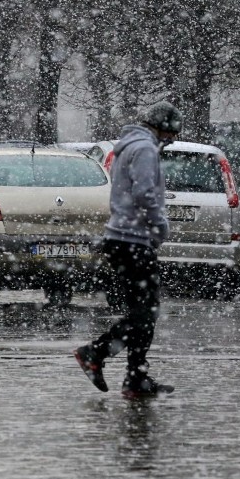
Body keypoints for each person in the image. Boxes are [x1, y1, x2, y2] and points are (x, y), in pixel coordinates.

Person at [74, 101, 182, 399]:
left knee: (142, 312)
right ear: (160, 127)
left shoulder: (130, 146)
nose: (170, 140)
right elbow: (145, 193)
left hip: (122, 239)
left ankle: (133, 377)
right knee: (145, 313)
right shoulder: (145, 149)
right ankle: (98, 355)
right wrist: (160, 226)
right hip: (132, 240)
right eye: (170, 133)